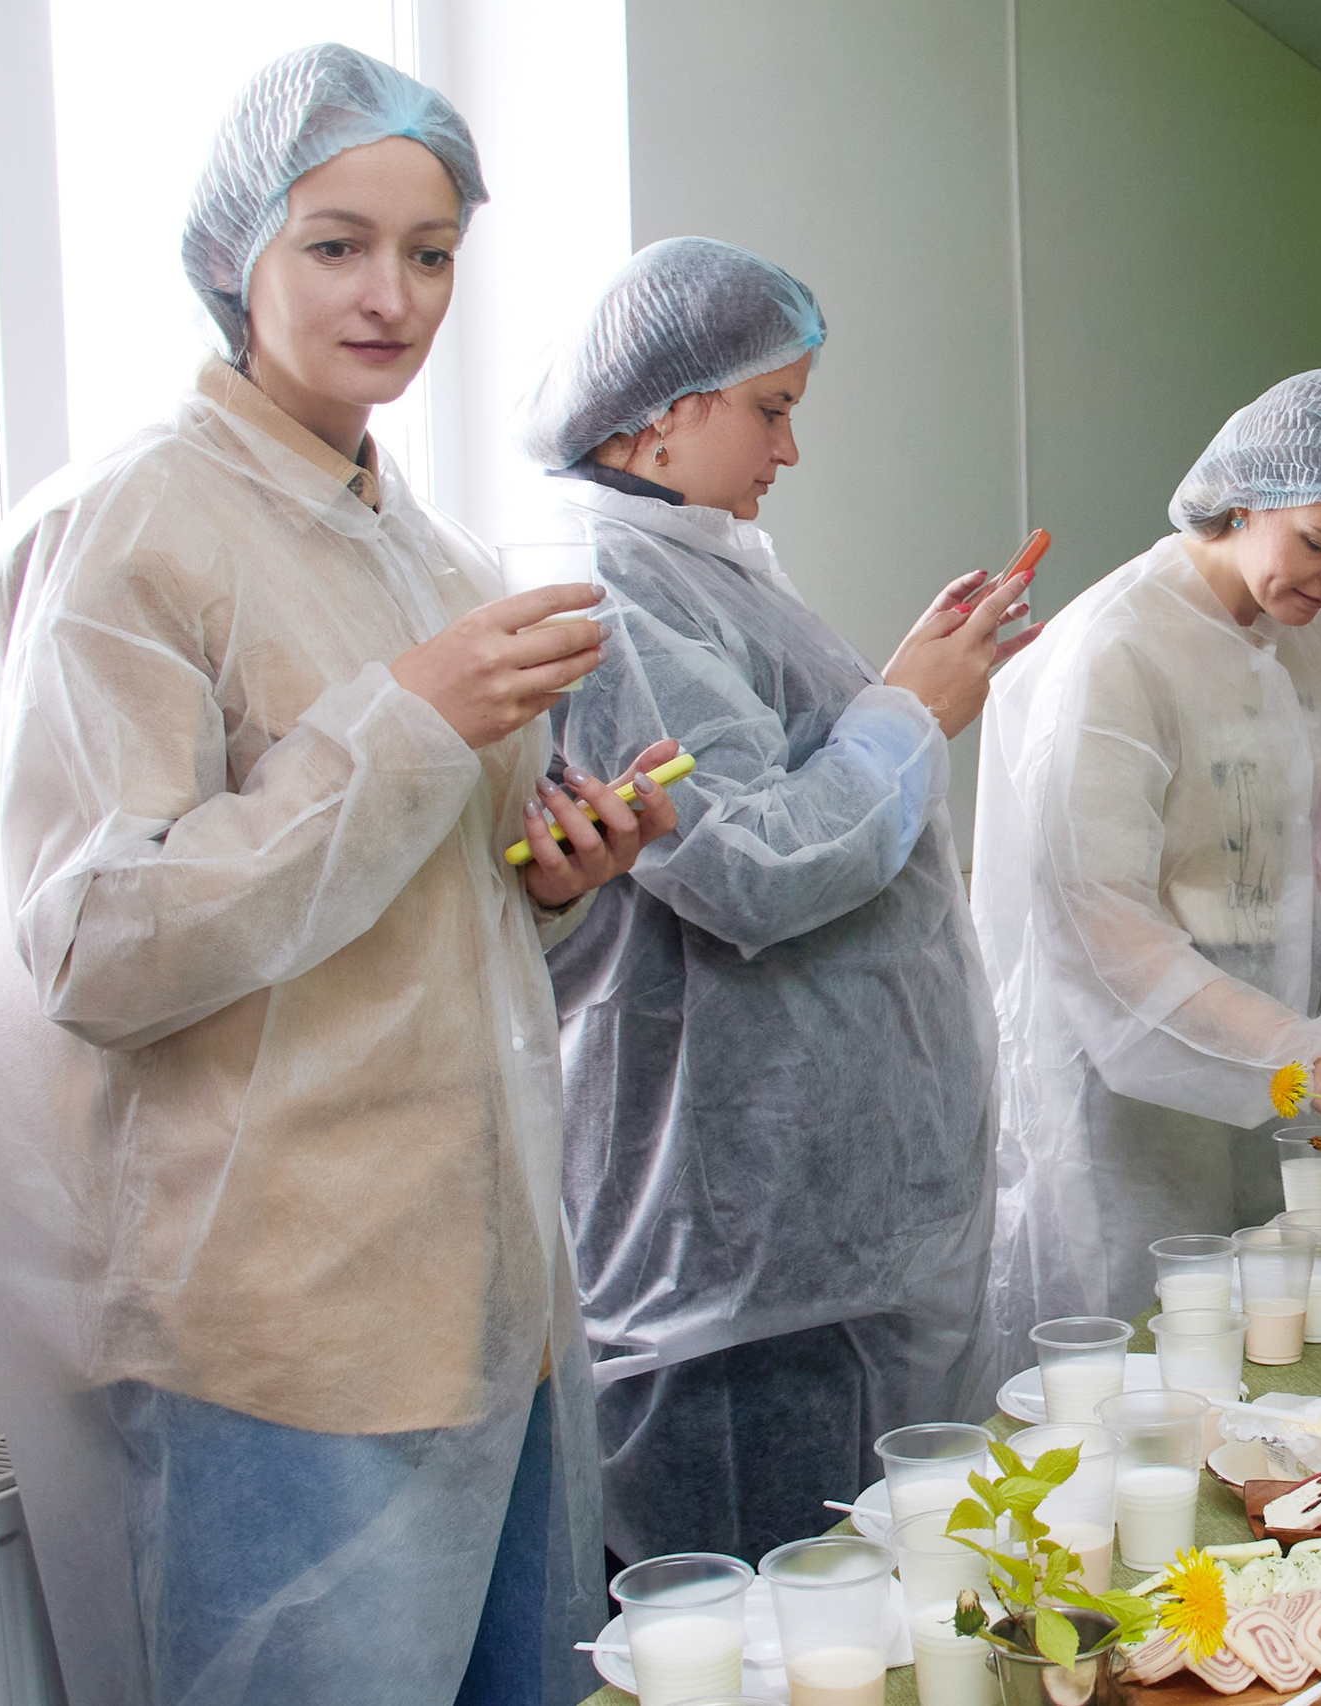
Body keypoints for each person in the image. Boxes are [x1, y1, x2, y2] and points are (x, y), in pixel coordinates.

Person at [0, 46, 677, 1706]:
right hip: (281, 1329)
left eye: (431, 252)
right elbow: (94, 942)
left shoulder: (434, 558)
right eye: (337, 243)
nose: (394, 294)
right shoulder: (135, 525)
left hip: (490, 1299)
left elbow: (461, 951)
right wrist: (402, 724)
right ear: (235, 258)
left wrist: (562, 883)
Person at [519, 238, 1031, 1562]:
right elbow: (754, 863)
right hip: (734, 1241)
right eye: (774, 407)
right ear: (667, 408)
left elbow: (792, 780)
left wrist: (898, 691)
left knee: (846, 1610)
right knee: (758, 1627)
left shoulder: (702, 563)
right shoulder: (615, 586)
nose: (789, 450)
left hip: (804, 1233)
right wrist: (915, 708)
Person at [973, 369, 1321, 1358]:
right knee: (1138, 1366)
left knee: (1267, 1363)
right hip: (1121, 1102)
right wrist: (1302, 1053)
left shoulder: (1308, 641)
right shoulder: (1118, 649)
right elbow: (1103, 929)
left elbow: (1258, 853)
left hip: (1260, 1077)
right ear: (1242, 499)